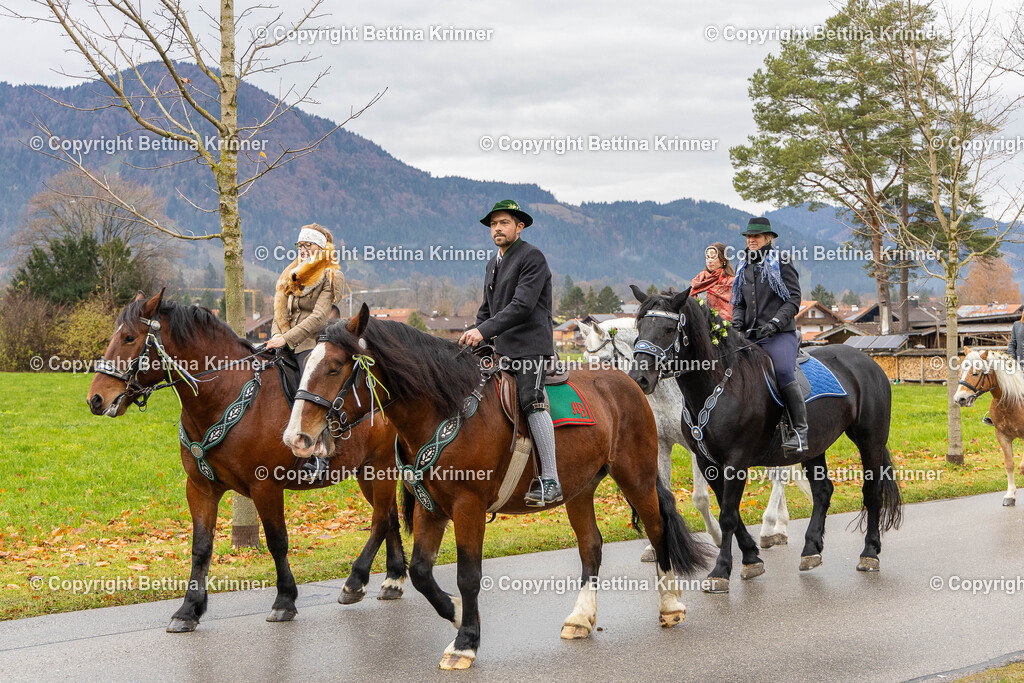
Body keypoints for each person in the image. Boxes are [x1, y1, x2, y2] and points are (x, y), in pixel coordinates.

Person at [458, 200, 561, 506]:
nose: (497, 229)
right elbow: (486, 309)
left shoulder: (533, 257)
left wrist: (484, 330)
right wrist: (475, 338)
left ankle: (551, 479)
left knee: (531, 399)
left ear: (520, 226)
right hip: (500, 348)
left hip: (531, 347)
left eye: (504, 223)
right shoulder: (493, 263)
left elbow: (522, 306)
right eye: (493, 224)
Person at [267, 223, 341, 477]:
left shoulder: (330, 276)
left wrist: (286, 339)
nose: (303, 250)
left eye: (308, 245)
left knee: (311, 389)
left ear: (320, 247)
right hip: (286, 339)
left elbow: (319, 317)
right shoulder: (292, 274)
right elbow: (281, 311)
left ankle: (321, 453)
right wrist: (277, 334)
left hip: (313, 343)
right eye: (300, 245)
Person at [731, 217, 807, 453]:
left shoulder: (781, 261)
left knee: (783, 371)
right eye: (748, 237)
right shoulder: (742, 265)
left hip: (779, 334)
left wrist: (776, 322)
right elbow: (739, 303)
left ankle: (800, 431)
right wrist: (736, 321)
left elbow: (794, 299)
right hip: (751, 336)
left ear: (768, 239)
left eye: (756, 237)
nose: (751, 240)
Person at [985, 310, 1024, 425]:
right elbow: (1012, 345)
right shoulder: (1017, 325)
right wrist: (1012, 360)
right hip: (1017, 365)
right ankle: (994, 415)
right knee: (1003, 386)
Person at [690, 242, 736, 320]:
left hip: (725, 327)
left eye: (713, 257)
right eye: (707, 257)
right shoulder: (700, 280)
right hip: (699, 325)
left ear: (723, 260)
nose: (709, 261)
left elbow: (735, 308)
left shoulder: (731, 282)